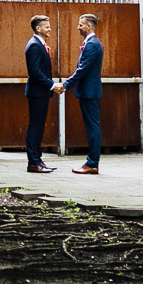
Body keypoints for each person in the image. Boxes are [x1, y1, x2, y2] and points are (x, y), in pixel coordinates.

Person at [54, 13, 103, 175]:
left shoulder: (92, 44)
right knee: (92, 127)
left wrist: (66, 85)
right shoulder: (90, 43)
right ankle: (91, 162)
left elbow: (82, 69)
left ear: (89, 26)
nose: (78, 27)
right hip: (88, 91)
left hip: (89, 92)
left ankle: (92, 163)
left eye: (81, 24)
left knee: (92, 127)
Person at [24, 14, 56, 173]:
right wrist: (52, 85)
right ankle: (33, 162)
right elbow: (35, 71)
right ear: (38, 28)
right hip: (37, 92)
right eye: (47, 26)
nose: (50, 29)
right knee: (35, 126)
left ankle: (38, 160)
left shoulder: (38, 43)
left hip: (40, 92)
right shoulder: (35, 45)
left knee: (38, 126)